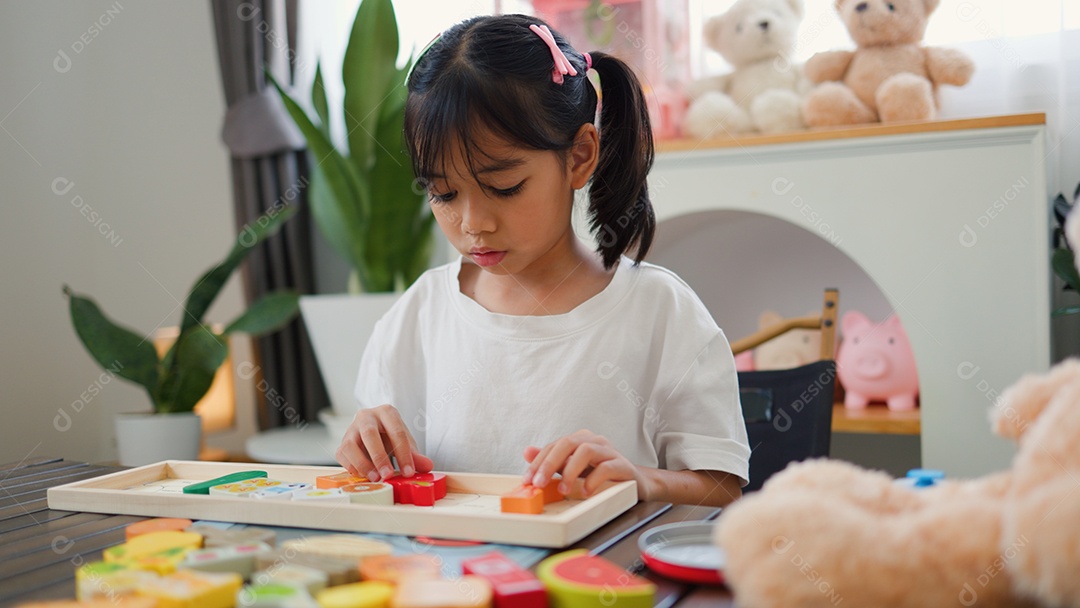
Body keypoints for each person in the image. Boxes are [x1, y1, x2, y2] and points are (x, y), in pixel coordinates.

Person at [335, 14, 750, 507]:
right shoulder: (419, 314)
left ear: (578, 157)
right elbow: (378, 465)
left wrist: (641, 481)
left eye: (504, 187)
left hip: (600, 580)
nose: (473, 224)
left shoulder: (659, 311)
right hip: (451, 577)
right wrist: (366, 445)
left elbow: (723, 486)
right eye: (443, 193)